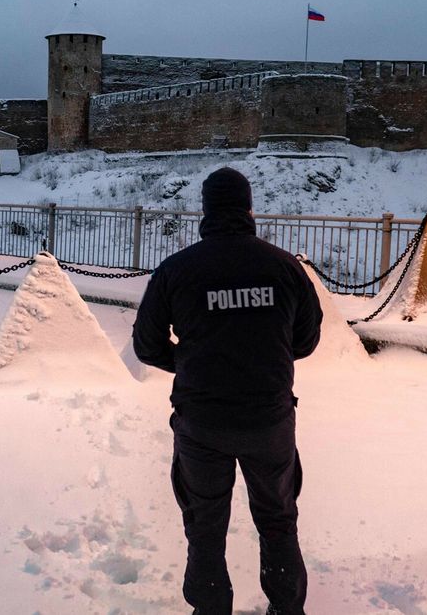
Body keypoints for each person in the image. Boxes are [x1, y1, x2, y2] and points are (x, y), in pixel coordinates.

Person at [132, 167, 322, 615]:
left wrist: (191, 363)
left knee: (205, 524)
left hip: (202, 422)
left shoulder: (177, 270)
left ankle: (211, 608)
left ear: (206, 210)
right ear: (248, 209)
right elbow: (308, 339)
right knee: (278, 519)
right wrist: (263, 358)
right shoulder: (283, 267)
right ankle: (286, 608)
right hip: (269, 418)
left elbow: (145, 344)